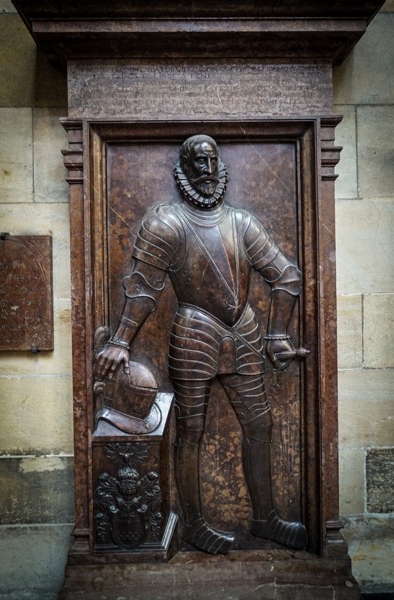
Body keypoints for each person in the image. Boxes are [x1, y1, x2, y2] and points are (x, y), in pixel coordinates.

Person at [96, 134, 308, 554]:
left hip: (244, 331)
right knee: (191, 430)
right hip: (194, 332)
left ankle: (265, 518)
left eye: (212, 161)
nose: (207, 170)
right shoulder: (167, 222)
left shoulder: (242, 223)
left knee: (260, 424)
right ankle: (194, 524)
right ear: (184, 169)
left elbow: (287, 276)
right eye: (199, 161)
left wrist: (278, 334)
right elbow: (142, 288)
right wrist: (121, 340)